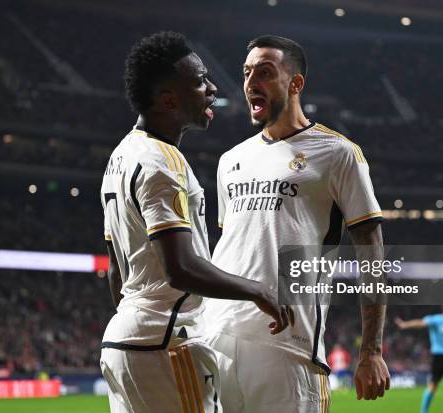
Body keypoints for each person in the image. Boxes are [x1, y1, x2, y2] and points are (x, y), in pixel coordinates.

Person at [99, 31, 292, 413]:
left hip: (128, 343)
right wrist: (259, 291)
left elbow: (115, 275)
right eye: (200, 80)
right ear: (168, 98)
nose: (212, 88)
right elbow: (181, 268)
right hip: (167, 342)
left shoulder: (119, 157)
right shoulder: (162, 160)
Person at [204, 35, 390, 412]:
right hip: (216, 337)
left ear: (295, 84)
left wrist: (370, 350)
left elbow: (372, 252)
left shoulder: (338, 154)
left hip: (288, 346)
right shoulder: (230, 160)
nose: (251, 81)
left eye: (265, 72)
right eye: (246, 73)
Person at [396, 302, 443, 413]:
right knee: (433, 386)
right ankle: (423, 411)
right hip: (438, 357)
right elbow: (420, 323)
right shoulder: (436, 320)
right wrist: (404, 325)